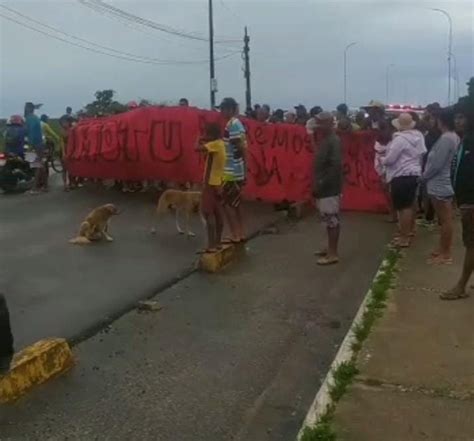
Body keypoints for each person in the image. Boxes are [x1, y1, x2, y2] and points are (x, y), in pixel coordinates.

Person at [441, 104, 474, 299]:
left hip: (471, 200)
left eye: (462, 117)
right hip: (465, 199)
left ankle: (461, 286)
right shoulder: (465, 140)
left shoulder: (471, 141)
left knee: (471, 244)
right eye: (456, 118)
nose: (457, 121)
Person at [383, 113, 427, 248]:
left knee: (403, 207)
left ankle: (403, 237)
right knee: (411, 204)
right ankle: (410, 230)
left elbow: (390, 159)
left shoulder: (399, 140)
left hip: (401, 174)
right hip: (414, 173)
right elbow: (422, 153)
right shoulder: (418, 136)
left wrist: (381, 160)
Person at [422, 109, 460, 264]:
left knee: (445, 220)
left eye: (434, 119)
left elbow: (437, 164)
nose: (432, 122)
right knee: (444, 220)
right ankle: (442, 248)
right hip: (441, 182)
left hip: (439, 184)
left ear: (441, 121)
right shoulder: (452, 137)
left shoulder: (446, 139)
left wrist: (424, 177)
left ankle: (445, 253)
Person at [313, 111, 343, 265]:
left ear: (328, 124)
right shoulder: (326, 139)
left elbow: (335, 166)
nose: (317, 126)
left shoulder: (333, 140)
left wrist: (322, 182)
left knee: (332, 220)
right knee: (326, 219)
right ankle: (328, 248)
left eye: (320, 123)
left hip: (329, 187)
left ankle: (333, 253)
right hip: (324, 186)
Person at [196, 123, 226, 253]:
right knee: (218, 213)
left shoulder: (214, 145)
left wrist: (199, 138)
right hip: (219, 181)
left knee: (208, 213)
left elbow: (196, 148)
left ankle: (211, 245)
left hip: (210, 183)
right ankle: (218, 242)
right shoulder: (221, 144)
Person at [220, 97, 247, 243]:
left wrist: (245, 169)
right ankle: (240, 232)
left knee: (227, 203)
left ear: (230, 109)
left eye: (223, 109)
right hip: (236, 169)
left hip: (231, 171)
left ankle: (235, 233)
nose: (222, 111)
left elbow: (241, 148)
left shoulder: (233, 125)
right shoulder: (237, 124)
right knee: (236, 203)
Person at [24, 102, 46, 194]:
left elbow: (31, 133)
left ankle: (35, 188)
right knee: (39, 165)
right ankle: (44, 186)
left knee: (36, 165)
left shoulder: (30, 118)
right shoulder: (33, 117)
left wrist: (30, 146)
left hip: (35, 144)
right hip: (38, 143)